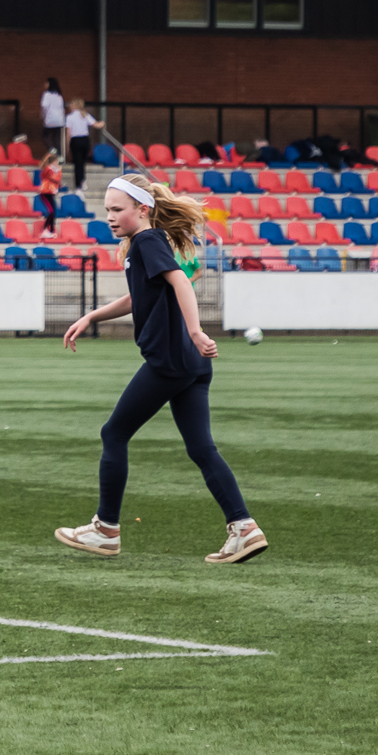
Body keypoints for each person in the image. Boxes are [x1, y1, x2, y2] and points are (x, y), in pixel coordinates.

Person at [56, 176, 267, 565]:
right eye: (107, 210)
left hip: (171, 360)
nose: (110, 217)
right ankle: (243, 528)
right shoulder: (146, 244)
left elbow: (181, 283)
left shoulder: (147, 241)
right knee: (202, 448)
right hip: (191, 364)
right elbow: (140, 296)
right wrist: (93, 316)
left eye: (117, 210)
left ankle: (105, 530)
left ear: (143, 209)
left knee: (114, 432)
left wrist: (195, 330)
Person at [65, 98, 102, 189]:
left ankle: (78, 184)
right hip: (85, 140)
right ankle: (82, 180)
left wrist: (67, 144)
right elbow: (96, 125)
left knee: (77, 162)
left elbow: (69, 133)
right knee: (82, 161)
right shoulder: (85, 115)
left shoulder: (70, 117)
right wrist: (103, 123)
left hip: (75, 140)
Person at [37, 148, 62, 239]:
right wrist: (57, 172)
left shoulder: (57, 170)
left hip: (51, 192)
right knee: (51, 211)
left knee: (54, 212)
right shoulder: (48, 169)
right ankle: (44, 230)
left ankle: (51, 231)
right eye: (56, 161)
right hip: (45, 192)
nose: (57, 163)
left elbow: (58, 180)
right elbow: (53, 178)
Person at [39, 76, 65, 157]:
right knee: (57, 139)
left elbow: (44, 107)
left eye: (46, 83)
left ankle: (52, 150)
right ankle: (60, 156)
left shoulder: (46, 94)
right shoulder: (59, 95)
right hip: (60, 120)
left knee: (45, 136)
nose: (45, 84)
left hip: (50, 119)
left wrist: (42, 115)